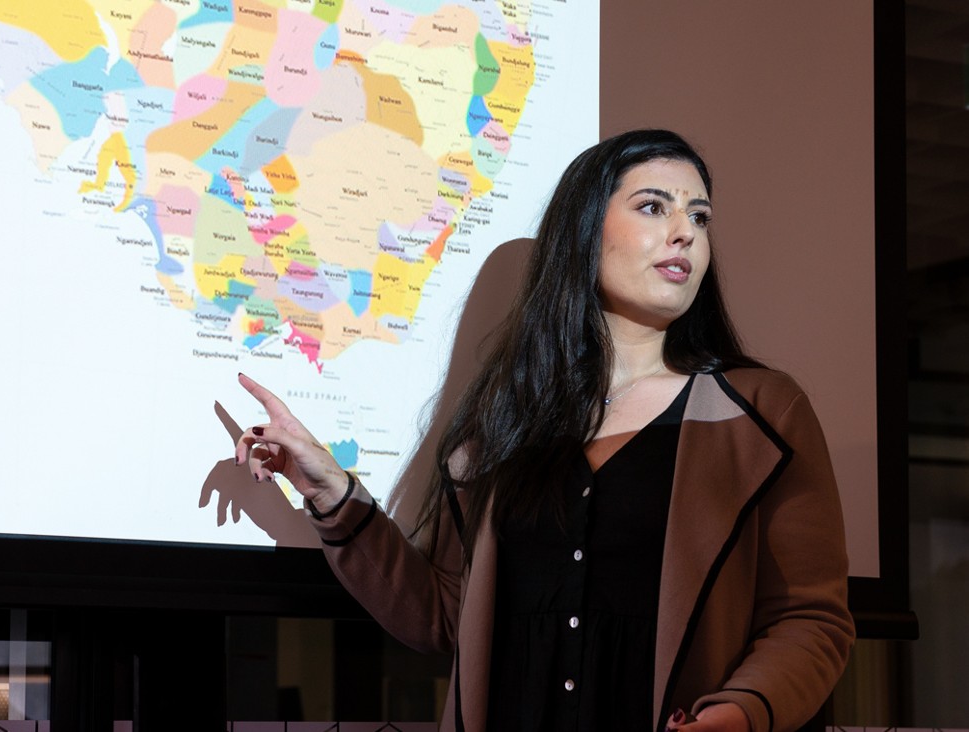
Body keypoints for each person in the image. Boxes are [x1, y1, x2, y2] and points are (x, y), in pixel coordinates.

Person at [234, 129, 854, 732]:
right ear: (585, 232)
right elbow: (445, 616)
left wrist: (743, 712)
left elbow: (810, 618)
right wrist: (329, 492)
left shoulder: (760, 413)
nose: (685, 231)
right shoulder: (504, 422)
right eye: (652, 207)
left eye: (700, 216)